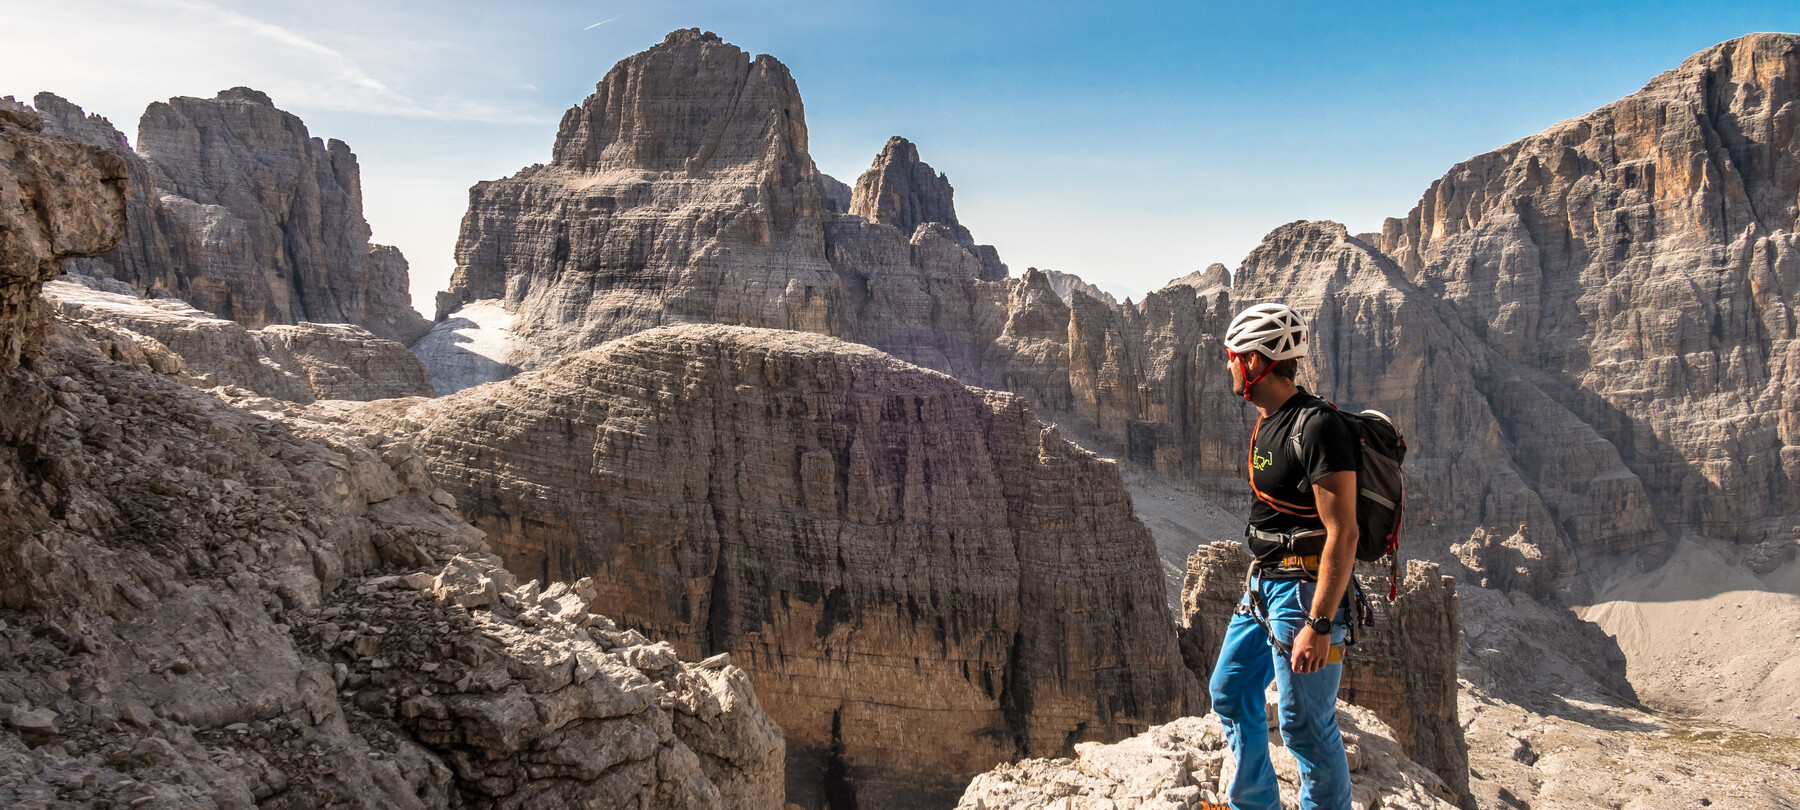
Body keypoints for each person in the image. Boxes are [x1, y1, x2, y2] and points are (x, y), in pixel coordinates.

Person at [1210, 302, 1358, 810]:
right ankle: (1254, 803)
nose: (1228, 365)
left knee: (1305, 728)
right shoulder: (1267, 422)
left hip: (1303, 593)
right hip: (1263, 586)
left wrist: (1318, 624)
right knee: (1229, 692)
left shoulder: (1318, 426)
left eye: (1232, 356)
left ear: (1256, 362)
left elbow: (1344, 533)